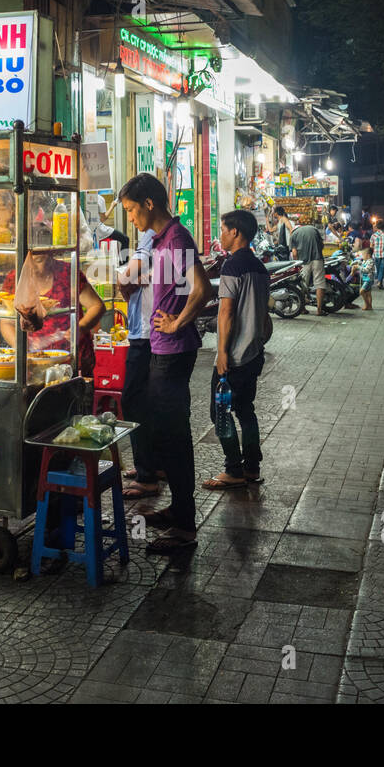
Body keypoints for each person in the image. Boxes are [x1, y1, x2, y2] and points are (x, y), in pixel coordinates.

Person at [118, 173, 212, 556]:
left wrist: (176, 322)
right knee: (167, 432)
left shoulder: (175, 239)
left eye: (131, 210)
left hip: (172, 351)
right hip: (164, 346)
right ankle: (179, 510)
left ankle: (185, 528)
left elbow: (202, 288)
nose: (131, 218)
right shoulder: (163, 240)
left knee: (174, 437)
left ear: (149, 204)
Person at [202, 210, 271, 490]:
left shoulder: (232, 267)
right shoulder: (260, 267)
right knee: (245, 410)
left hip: (236, 356)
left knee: (219, 411)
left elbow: (226, 312)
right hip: (254, 353)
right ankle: (252, 467)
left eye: (223, 229)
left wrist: (222, 353)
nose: (221, 235)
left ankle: (233, 469)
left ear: (236, 233)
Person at [0, 252, 105, 378]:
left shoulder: (67, 273)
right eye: (28, 261)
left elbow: (96, 306)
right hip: (34, 362)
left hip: (72, 358)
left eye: (39, 260)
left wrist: (80, 327)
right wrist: (21, 347)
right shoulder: (15, 277)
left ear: (51, 256)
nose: (33, 266)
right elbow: (6, 322)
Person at [118, 226, 164, 498]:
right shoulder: (172, 236)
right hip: (153, 331)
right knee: (151, 401)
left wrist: (126, 282)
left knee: (133, 400)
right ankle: (153, 465)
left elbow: (126, 278)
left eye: (131, 209)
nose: (131, 218)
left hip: (144, 333)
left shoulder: (151, 236)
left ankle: (147, 474)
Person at [290, 213, 326, 315]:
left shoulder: (293, 235)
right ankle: (319, 310)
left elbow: (294, 253)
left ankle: (302, 309)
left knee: (302, 285)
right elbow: (322, 245)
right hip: (318, 259)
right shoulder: (313, 229)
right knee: (319, 284)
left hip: (304, 262)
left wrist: (296, 265)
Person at [370, 220, 384, 289]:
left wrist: (375, 247)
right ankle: (380, 282)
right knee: (382, 268)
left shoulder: (373, 235)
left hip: (376, 254)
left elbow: (371, 246)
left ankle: (379, 281)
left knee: (378, 268)